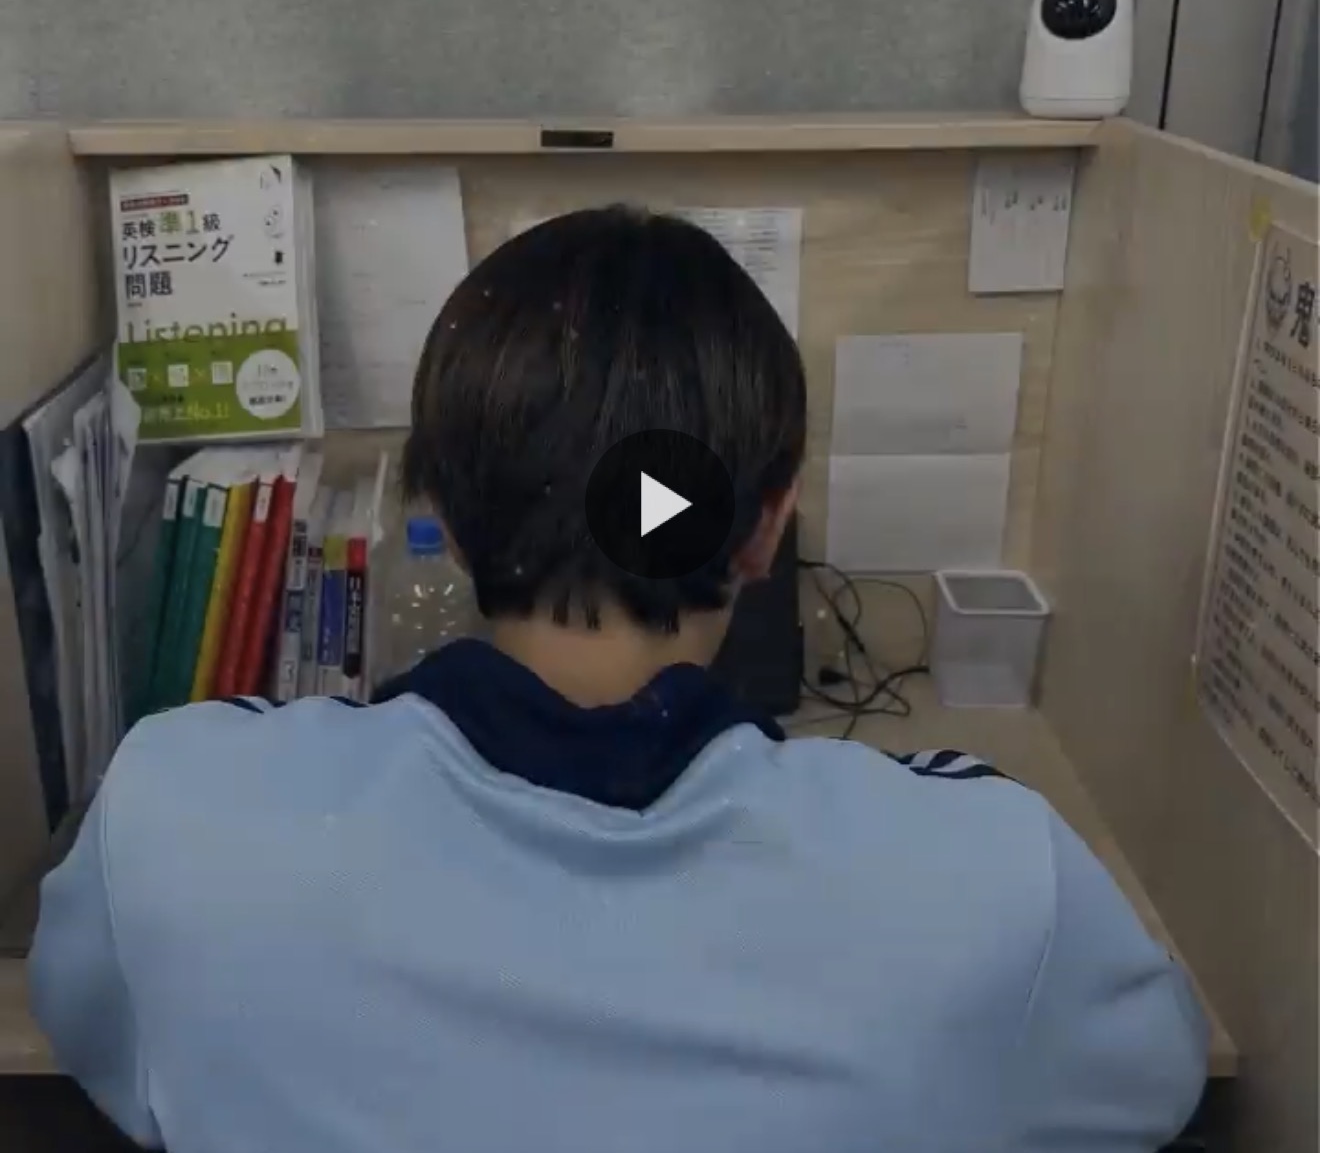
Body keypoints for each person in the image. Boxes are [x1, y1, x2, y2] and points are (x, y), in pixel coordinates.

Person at [30, 207, 1208, 1152]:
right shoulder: (994, 880)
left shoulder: (173, 817)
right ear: (766, 527)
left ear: (439, 516)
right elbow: (1149, 1090)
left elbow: (108, 1047)